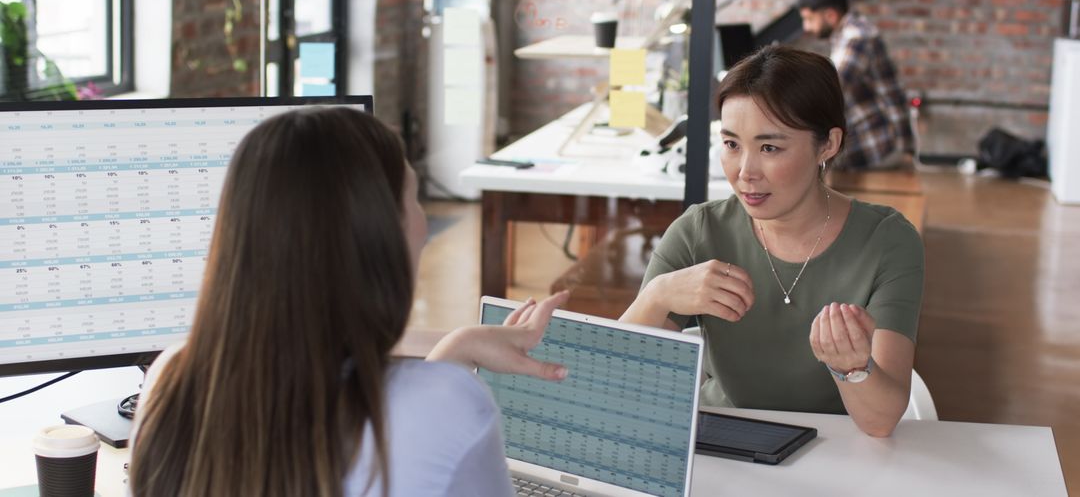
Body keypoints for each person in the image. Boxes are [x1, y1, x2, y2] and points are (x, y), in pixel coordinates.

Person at [128, 106, 569, 496]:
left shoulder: (170, 382)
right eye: (412, 200)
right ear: (378, 237)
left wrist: (457, 350)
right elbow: (420, 429)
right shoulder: (449, 407)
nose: (423, 221)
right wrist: (447, 378)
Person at [620, 45, 924, 437]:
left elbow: (880, 421)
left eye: (769, 148)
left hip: (837, 451)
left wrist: (853, 368)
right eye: (731, 144)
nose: (746, 172)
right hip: (722, 443)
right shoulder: (699, 231)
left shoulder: (888, 242)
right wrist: (657, 296)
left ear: (828, 145)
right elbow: (615, 378)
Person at [797, 0, 914, 170]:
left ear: (830, 15)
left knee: (810, 169)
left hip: (879, 144)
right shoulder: (848, 34)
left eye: (809, 19)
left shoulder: (857, 38)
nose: (806, 27)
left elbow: (828, 87)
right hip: (874, 139)